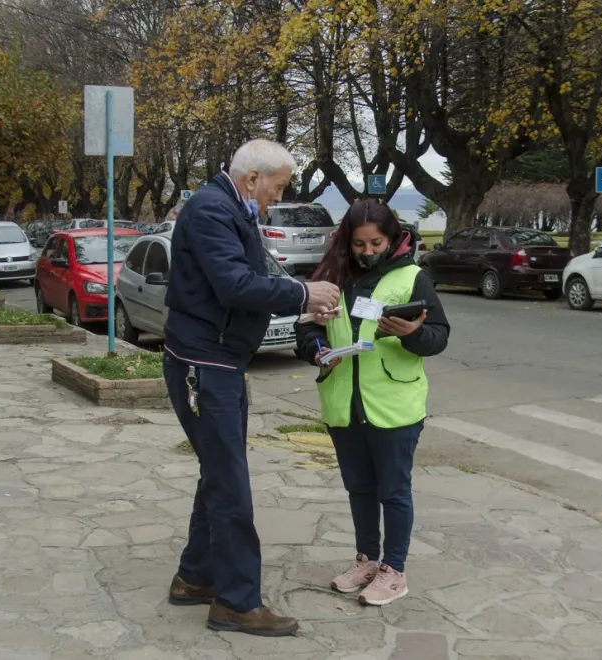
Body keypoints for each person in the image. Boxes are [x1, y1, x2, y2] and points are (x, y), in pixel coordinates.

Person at [162, 139, 340, 636]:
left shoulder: (227, 206)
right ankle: (236, 602)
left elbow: (244, 287)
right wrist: (304, 290)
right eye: (277, 186)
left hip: (216, 361)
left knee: (219, 475)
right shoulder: (212, 210)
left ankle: (196, 578)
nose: (276, 196)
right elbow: (235, 285)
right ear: (252, 179)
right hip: (205, 366)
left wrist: (302, 308)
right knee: (231, 486)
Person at [295, 200, 450, 606]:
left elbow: (438, 338)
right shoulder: (331, 277)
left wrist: (411, 333)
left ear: (393, 238)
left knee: (393, 491)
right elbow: (304, 332)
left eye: (376, 242)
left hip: (393, 405)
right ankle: (366, 560)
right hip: (343, 402)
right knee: (358, 488)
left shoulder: (413, 277)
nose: (367, 252)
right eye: (359, 244)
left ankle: (394, 571)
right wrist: (315, 347)